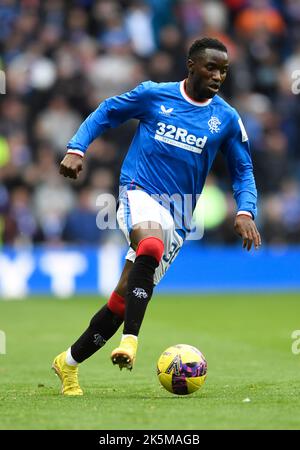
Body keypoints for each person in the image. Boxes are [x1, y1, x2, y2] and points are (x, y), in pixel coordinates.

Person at [52, 37, 261, 396]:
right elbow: (106, 112)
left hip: (179, 216)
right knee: (149, 243)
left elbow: (243, 170)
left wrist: (245, 210)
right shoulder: (154, 95)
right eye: (211, 67)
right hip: (139, 191)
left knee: (123, 297)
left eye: (224, 70)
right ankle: (131, 342)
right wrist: (76, 147)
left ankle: (67, 363)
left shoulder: (225, 118)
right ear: (191, 66)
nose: (218, 76)